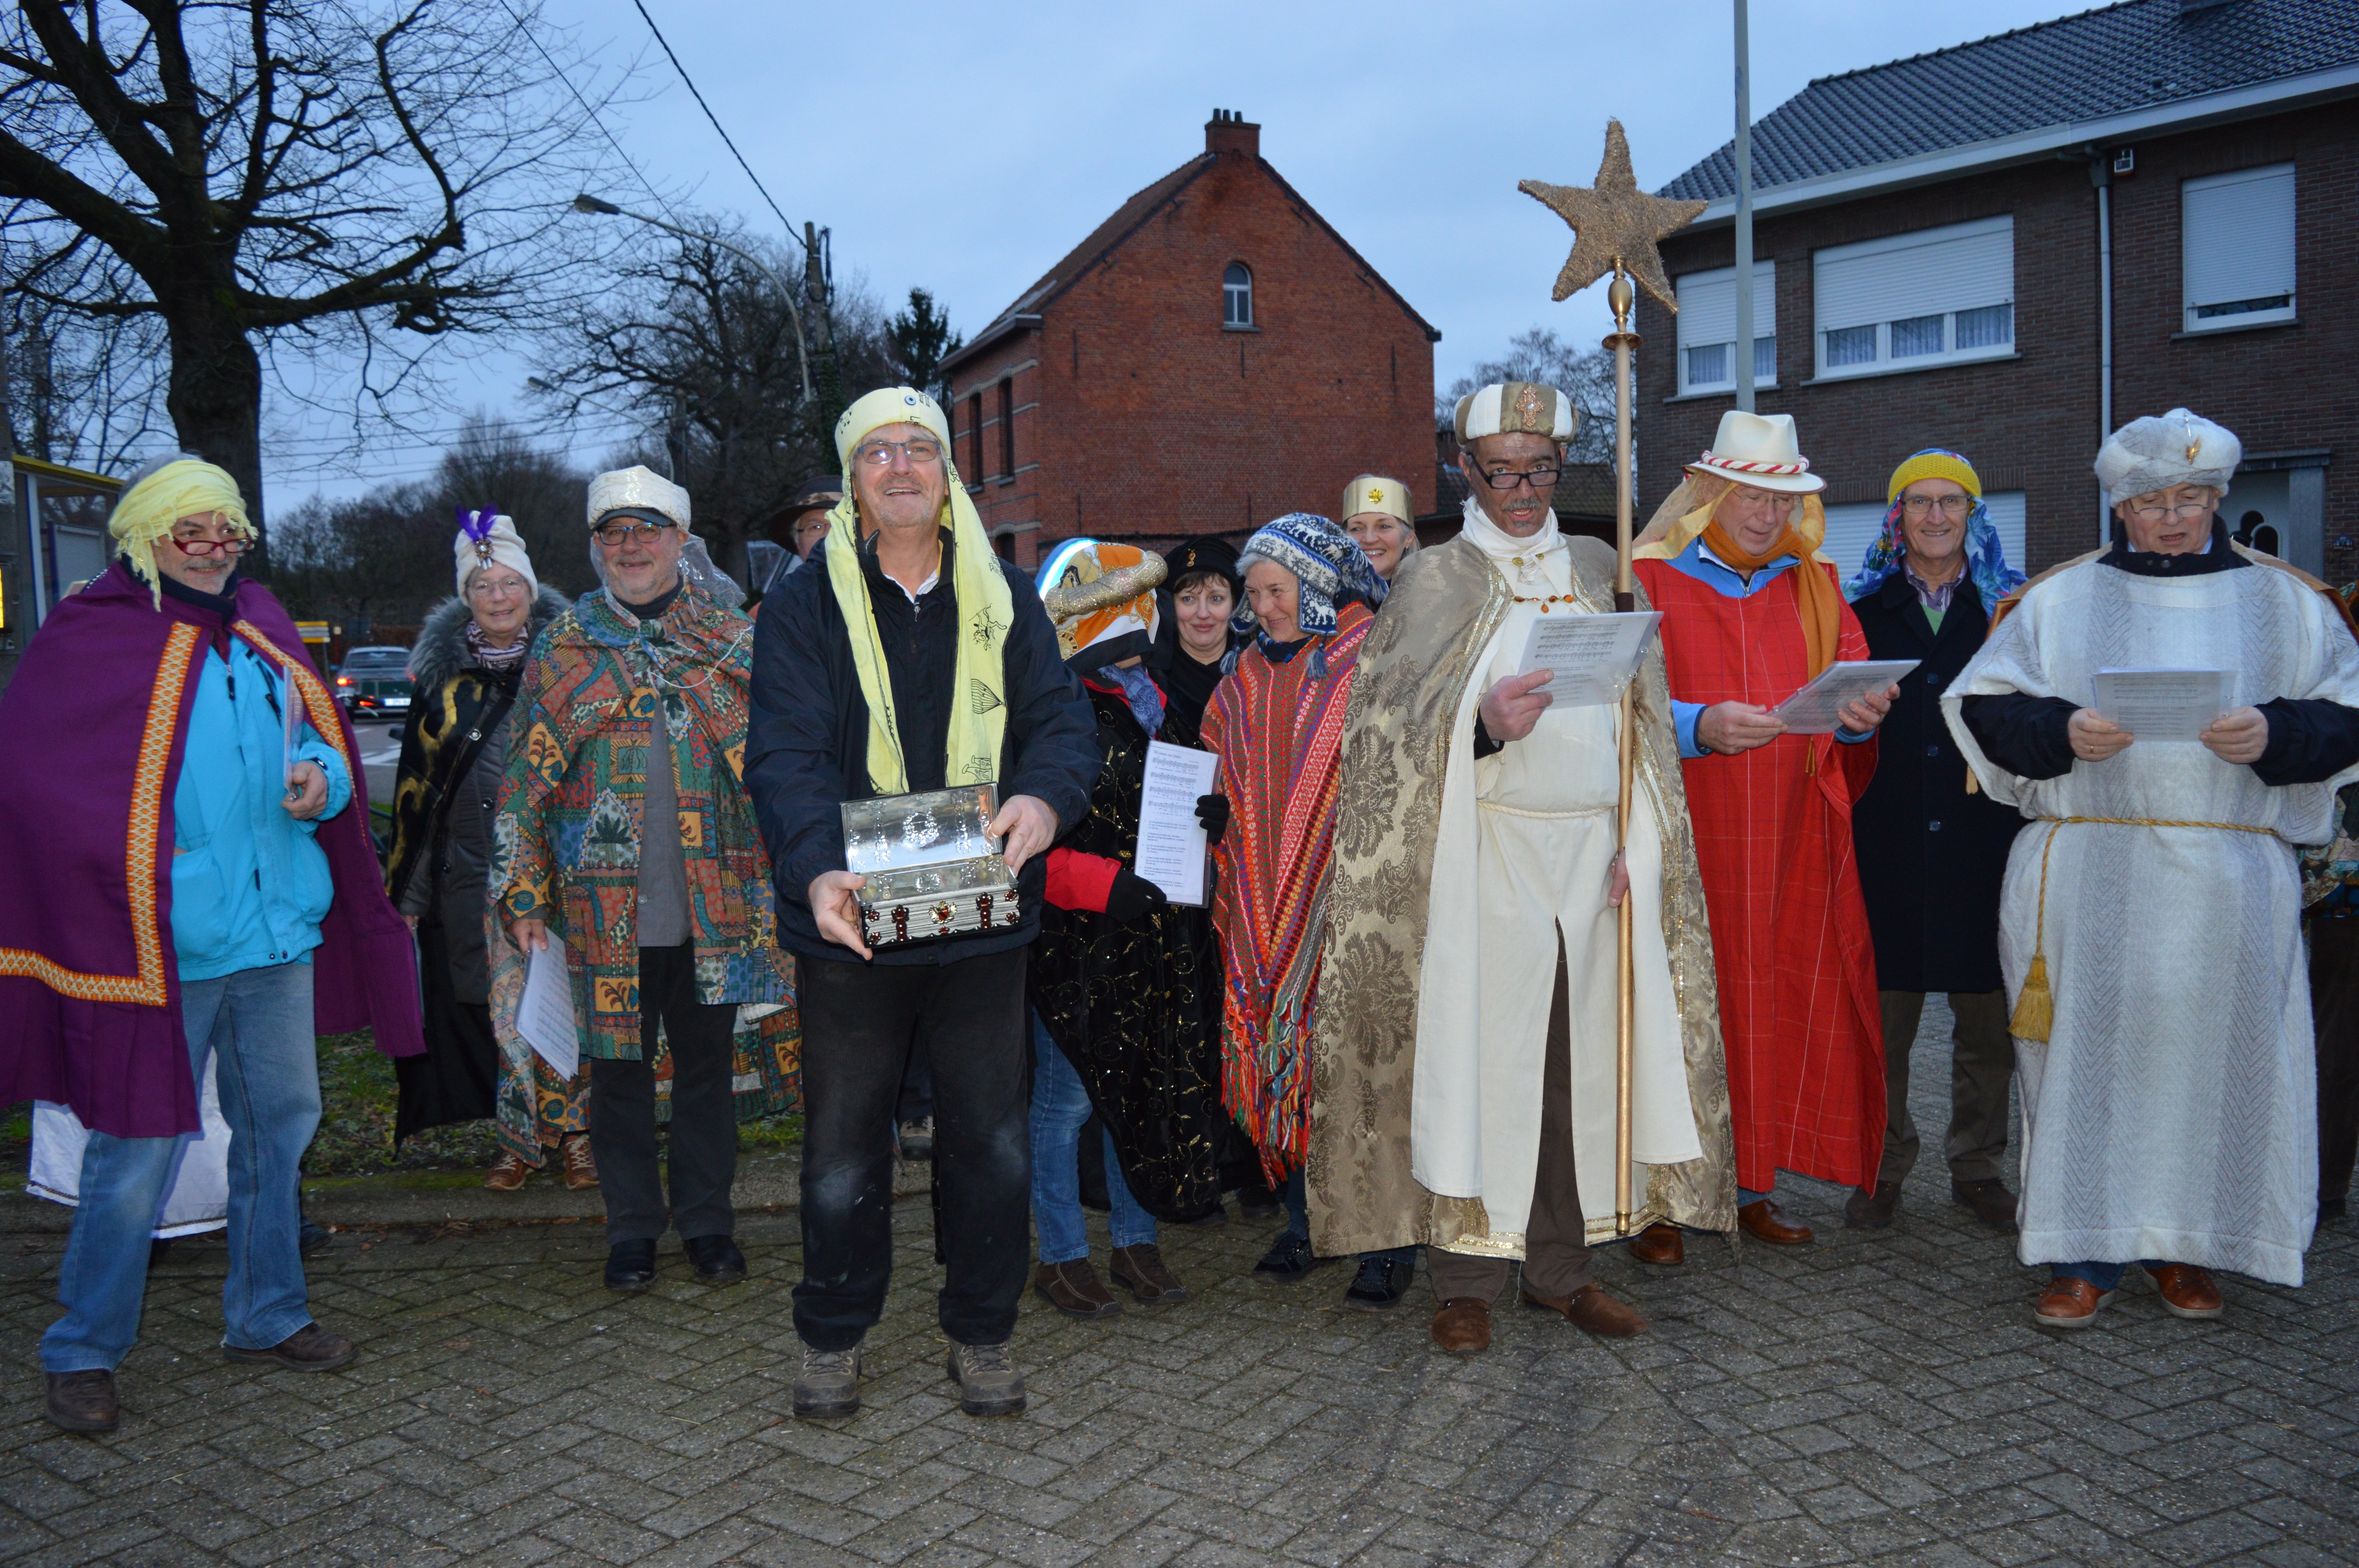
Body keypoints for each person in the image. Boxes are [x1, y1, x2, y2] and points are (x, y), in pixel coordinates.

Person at [0, 454, 422, 1434]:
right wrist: (155, 857)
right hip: (160, 949)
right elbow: (37, 778)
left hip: (275, 938)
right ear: (146, 536)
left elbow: (311, 739)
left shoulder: (258, 624)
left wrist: (321, 772)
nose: (212, 547)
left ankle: (267, 1314)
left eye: (226, 530)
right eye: (191, 530)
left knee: (279, 1131)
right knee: (136, 1148)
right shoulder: (95, 636)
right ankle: (82, 1346)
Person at [1311, 382, 1735, 1353]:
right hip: (1484, 853)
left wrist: (1641, 841)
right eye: (1501, 470)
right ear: (1466, 471)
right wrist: (1484, 728)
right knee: (1477, 1066)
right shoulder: (1436, 578)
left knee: (1570, 1071)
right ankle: (1464, 1276)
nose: (1521, 489)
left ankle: (1560, 1268)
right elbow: (1383, 730)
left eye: (1539, 469)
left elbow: (1640, 727)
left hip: (1592, 857)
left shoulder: (1595, 565)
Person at [1947, 408, 2359, 1327]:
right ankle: (2082, 1251)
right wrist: (2059, 731)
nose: (2171, 517)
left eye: (2190, 498)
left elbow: (2346, 710)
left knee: (2205, 1063)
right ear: (2117, 506)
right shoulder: (2059, 599)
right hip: (2090, 865)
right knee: (2089, 1059)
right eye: (2149, 502)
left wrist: (2275, 733)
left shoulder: (2286, 601)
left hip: (2226, 878)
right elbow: (1982, 706)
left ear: (2216, 498)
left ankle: (2187, 1244)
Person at [746, 387, 1098, 1421]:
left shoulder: (1006, 595)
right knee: (844, 1141)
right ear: (854, 480)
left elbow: (1062, 727)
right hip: (849, 922)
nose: (900, 467)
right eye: (877, 454)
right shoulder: (803, 606)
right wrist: (816, 870)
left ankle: (982, 1334)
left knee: (989, 1137)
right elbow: (786, 757)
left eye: (920, 450)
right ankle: (832, 1333)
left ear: (947, 473)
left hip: (984, 916)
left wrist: (1042, 799)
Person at [490, 466, 798, 1295]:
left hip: (715, 899)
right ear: (596, 548)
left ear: (678, 542)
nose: (631, 546)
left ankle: (707, 1224)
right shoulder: (565, 646)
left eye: (648, 530)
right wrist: (524, 897)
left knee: (704, 1075)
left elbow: (783, 765)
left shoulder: (732, 638)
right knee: (617, 1076)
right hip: (599, 910)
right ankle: (631, 1231)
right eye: (614, 533)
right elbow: (521, 780)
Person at [1631, 410, 1895, 1249]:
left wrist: (1857, 718)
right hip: (1680, 831)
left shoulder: (1815, 584)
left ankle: (1747, 1183)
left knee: (1768, 1002)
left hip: (1786, 840)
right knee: (1665, 1005)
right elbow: (1612, 699)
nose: (1763, 513)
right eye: (1747, 493)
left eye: (1779, 498)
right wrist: (1693, 722)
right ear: (1709, 491)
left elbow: (1846, 704)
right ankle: (1658, 1195)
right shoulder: (1647, 580)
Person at [1200, 513, 1405, 1301]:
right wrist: (1214, 814)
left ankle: (1384, 1242)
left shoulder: (1370, 660)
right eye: (1253, 593)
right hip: (1260, 906)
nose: (1263, 605)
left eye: (1276, 590)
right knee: (1286, 1062)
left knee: (1360, 1067)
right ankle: (1303, 1223)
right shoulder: (1242, 678)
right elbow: (1222, 765)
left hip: (1356, 906)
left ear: (1315, 586)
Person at [1027, 539, 1223, 1318]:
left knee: (1134, 1088)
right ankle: (1060, 1253)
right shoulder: (1049, 706)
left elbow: (1178, 792)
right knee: (1066, 1102)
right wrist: (1105, 884)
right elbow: (1022, 835)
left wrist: (1214, 818)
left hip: (1151, 935)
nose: (1136, 628)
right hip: (1076, 938)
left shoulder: (1156, 697)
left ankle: (1134, 1237)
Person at [1841, 451, 2029, 1232]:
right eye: (1916, 503)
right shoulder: (1856, 608)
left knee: (1986, 1020)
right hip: (1883, 837)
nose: (1933, 516)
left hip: (1983, 838)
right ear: (1896, 518)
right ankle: (1880, 1165)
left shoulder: (2011, 607)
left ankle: (1977, 1166)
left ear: (1972, 514)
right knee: (1883, 1023)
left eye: (1950, 502)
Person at [385, 511, 582, 1189]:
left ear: (530, 588)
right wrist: (409, 898)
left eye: (509, 583)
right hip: (470, 882)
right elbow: (417, 797)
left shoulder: (570, 665)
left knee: (567, 1007)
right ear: (466, 598)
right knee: (500, 1019)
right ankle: (517, 1141)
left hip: (564, 874)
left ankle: (578, 1136)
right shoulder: (440, 685)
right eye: (483, 587)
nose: (499, 598)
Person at [1154, 535, 1245, 745]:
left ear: (1235, 605)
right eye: (1189, 599)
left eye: (1216, 599)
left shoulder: (1260, 675)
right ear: (1171, 606)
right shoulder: (1151, 683)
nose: (1203, 613)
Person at [1339, 474, 1419, 583]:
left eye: (1384, 527)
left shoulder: (1431, 597)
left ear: (1409, 538)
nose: (1369, 539)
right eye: (1357, 529)